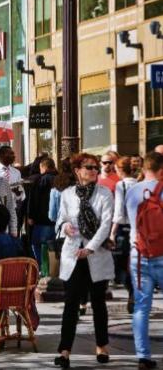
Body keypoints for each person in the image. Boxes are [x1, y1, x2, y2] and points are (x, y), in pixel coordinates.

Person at [54, 153, 114, 368]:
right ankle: (64, 350)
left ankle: (101, 346)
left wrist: (89, 248)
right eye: (88, 167)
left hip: (95, 254)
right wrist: (64, 227)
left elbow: (105, 225)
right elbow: (61, 218)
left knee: (98, 303)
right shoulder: (68, 194)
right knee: (70, 303)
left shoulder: (104, 194)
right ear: (78, 170)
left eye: (96, 168)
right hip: (73, 253)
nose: (93, 171)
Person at [118, 152, 163, 369]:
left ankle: (143, 356)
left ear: (144, 169)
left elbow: (128, 220)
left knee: (141, 308)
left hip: (139, 256)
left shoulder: (131, 191)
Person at [108, 157, 138, 312]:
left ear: (119, 170)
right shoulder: (139, 185)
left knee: (120, 265)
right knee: (133, 263)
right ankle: (133, 291)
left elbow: (118, 213)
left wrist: (112, 233)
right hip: (138, 230)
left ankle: (131, 290)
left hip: (123, 229)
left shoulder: (121, 185)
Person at [27, 157, 57, 270]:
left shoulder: (39, 180)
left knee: (38, 245)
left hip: (41, 220)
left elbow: (33, 199)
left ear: (43, 167)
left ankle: (43, 269)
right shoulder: (59, 180)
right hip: (56, 222)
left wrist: (30, 216)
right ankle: (53, 269)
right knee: (52, 247)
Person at [0, 146, 25, 226]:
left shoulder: (16, 172)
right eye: (11, 154)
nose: (14, 156)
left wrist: (18, 193)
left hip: (13, 209)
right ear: (2, 155)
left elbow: (21, 194)